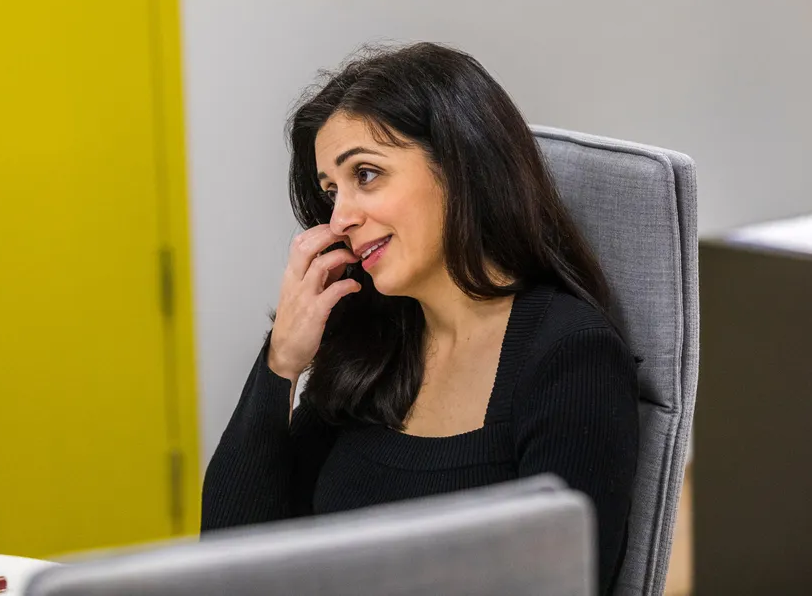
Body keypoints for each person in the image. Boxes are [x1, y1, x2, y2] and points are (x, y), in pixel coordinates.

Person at [200, 42, 639, 595]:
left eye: (366, 174)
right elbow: (230, 564)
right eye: (331, 191)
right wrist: (281, 361)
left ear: (460, 166)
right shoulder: (374, 344)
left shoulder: (570, 357)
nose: (340, 219)